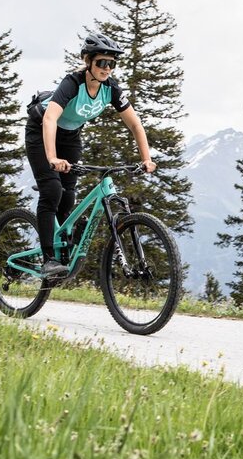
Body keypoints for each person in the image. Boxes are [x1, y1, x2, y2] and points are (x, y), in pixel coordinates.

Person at [27, 33, 156, 278]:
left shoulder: (111, 88)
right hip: (41, 131)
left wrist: (146, 159)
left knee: (69, 195)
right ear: (88, 61)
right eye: (101, 63)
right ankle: (48, 259)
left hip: (71, 136)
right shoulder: (72, 83)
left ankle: (64, 248)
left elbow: (136, 125)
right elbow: (50, 118)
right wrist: (53, 158)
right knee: (52, 190)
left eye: (111, 64)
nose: (106, 68)